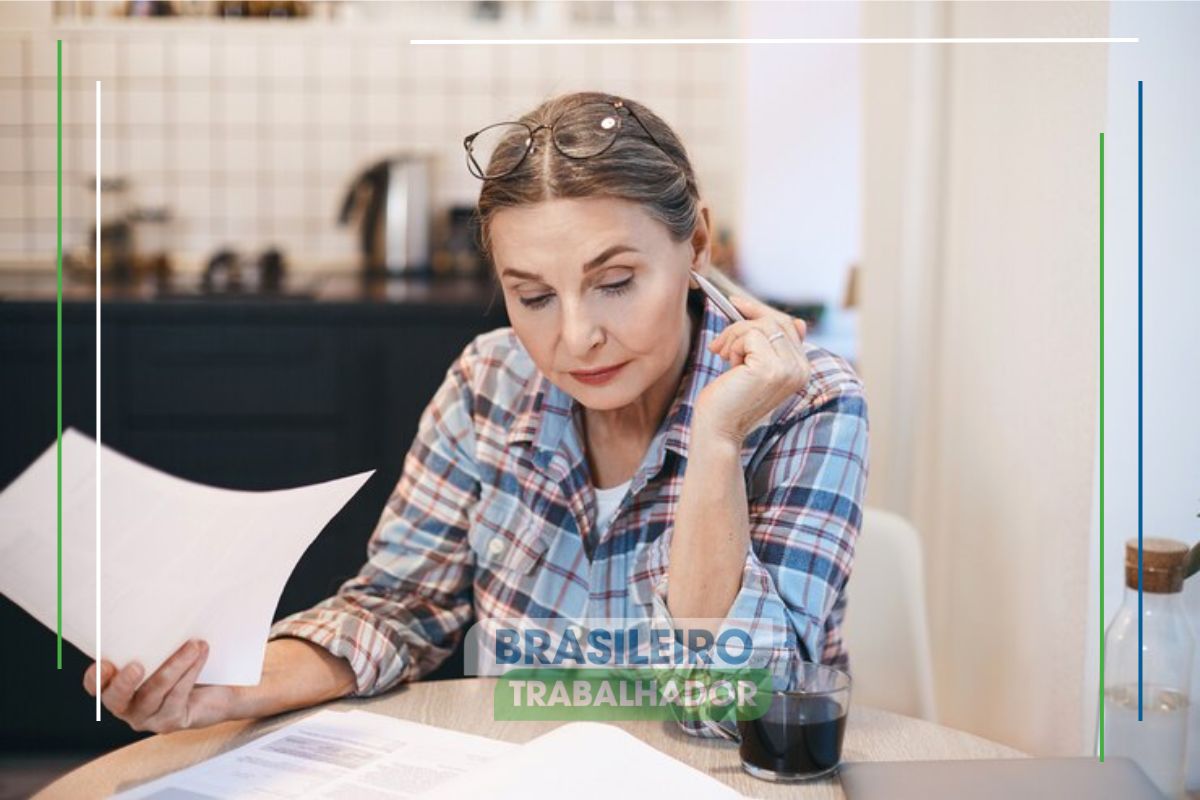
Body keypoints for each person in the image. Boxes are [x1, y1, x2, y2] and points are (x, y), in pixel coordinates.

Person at [84, 91, 869, 735]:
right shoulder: (488, 383)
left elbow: (734, 704)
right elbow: (398, 609)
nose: (575, 338)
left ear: (696, 243)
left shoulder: (811, 404)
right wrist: (229, 688)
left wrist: (717, 441)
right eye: (532, 296)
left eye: (617, 281)